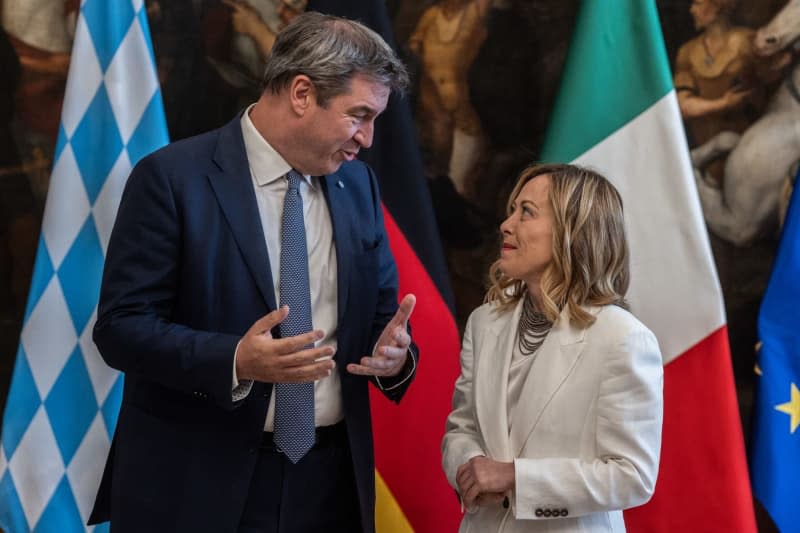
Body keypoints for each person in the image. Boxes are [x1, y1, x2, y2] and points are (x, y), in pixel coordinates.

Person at [88, 12, 417, 533]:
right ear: (303, 93)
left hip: (329, 483)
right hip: (199, 483)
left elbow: (382, 317)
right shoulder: (172, 180)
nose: (368, 139)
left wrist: (395, 355)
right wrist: (236, 360)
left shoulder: (360, 189)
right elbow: (120, 329)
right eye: (359, 115)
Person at [441, 163, 663, 532]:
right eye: (512, 210)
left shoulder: (622, 338)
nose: (506, 225)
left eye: (526, 212)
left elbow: (632, 475)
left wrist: (515, 478)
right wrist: (471, 466)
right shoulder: (484, 322)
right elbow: (462, 428)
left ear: (573, 232)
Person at [674, 0, 787, 186]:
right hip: (705, 149)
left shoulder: (748, 42)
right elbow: (682, 106)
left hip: (747, 149)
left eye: (698, 3)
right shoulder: (687, 52)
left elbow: (772, 80)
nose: (692, 10)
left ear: (718, 6)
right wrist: (724, 103)